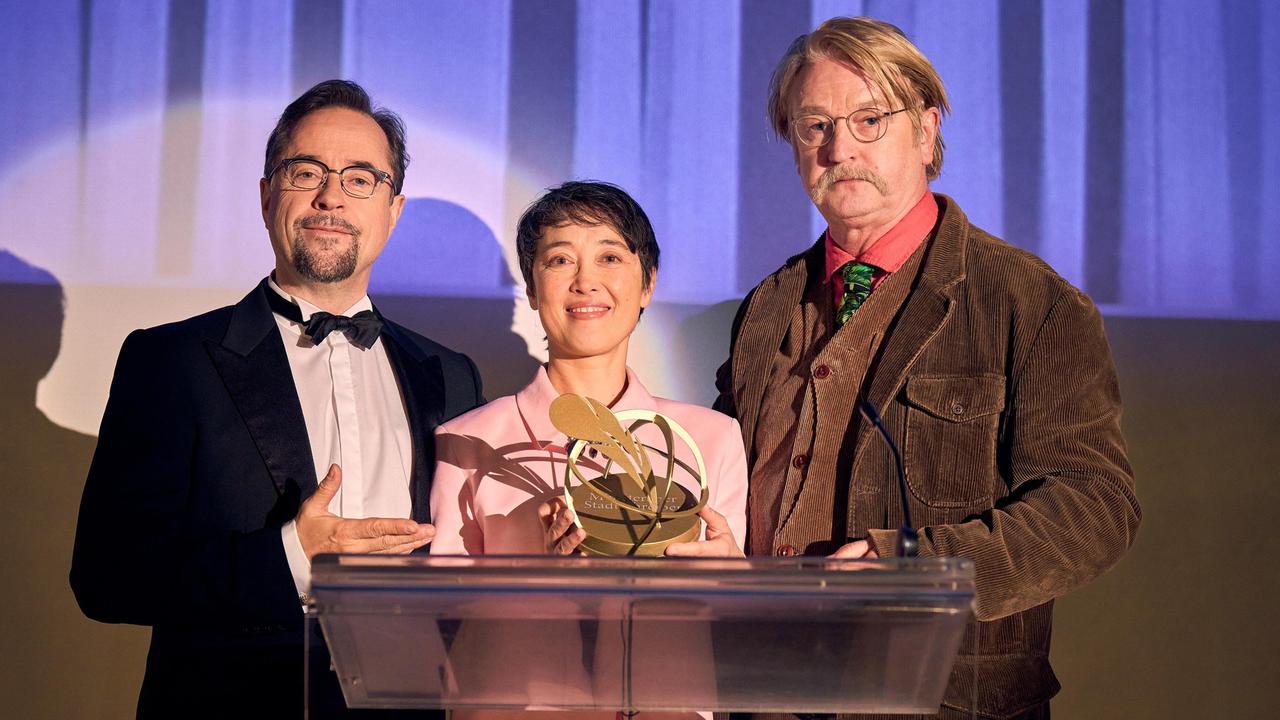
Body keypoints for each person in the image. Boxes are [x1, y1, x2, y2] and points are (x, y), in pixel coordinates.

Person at [714, 17, 1141, 719]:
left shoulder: (1032, 303)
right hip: (763, 691)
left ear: (926, 128)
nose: (838, 148)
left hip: (944, 698)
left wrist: (919, 566)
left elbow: (1095, 506)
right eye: (813, 125)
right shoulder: (768, 305)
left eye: (868, 119)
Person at [70, 80, 483, 718]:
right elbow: (107, 577)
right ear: (267, 196)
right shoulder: (172, 361)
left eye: (359, 179)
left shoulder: (450, 376)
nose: (330, 197)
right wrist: (294, 555)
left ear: (393, 210)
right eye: (306, 171)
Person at [430, 181, 746, 558]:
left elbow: (724, 607)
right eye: (560, 260)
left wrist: (729, 577)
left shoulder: (713, 439)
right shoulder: (464, 444)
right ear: (532, 289)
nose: (585, 282)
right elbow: (451, 608)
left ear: (648, 283)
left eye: (609, 258)